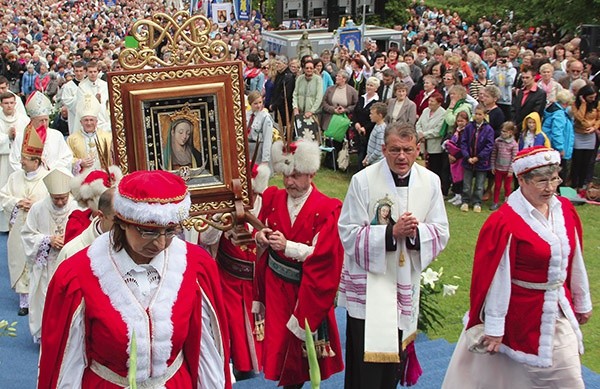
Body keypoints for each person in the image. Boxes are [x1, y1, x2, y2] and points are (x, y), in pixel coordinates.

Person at [38, 170, 232, 388]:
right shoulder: (77, 276)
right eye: (148, 231)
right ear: (122, 222)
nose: (160, 243)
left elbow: (208, 348)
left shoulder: (195, 266)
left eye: (170, 231)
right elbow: (65, 363)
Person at [442, 146, 592, 389]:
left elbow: (575, 259)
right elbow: (496, 277)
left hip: (558, 310)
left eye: (554, 179)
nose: (550, 187)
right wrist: (494, 327)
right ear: (521, 179)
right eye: (542, 180)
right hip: (518, 314)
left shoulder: (564, 209)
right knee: (506, 379)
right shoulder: (505, 222)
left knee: (568, 378)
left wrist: (581, 300)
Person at [338, 122, 450, 388]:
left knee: (392, 365)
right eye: (396, 150)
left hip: (403, 281)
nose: (402, 156)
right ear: (383, 149)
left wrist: (414, 233)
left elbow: (441, 231)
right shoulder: (363, 180)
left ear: (418, 149)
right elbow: (348, 232)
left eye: (408, 150)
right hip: (369, 286)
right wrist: (390, 233)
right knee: (365, 365)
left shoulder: (430, 182)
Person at [254, 139, 344, 388]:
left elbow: (326, 255)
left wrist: (289, 247)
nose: (289, 182)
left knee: (300, 353)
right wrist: (260, 237)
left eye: (295, 175)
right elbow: (260, 227)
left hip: (306, 289)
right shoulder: (273, 197)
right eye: (285, 175)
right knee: (280, 346)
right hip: (275, 288)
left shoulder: (328, 208)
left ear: (312, 173)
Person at [22, 167, 78, 343]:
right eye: (56, 199)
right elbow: (27, 234)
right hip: (46, 264)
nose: (61, 203)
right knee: (45, 300)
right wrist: (47, 240)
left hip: (69, 263)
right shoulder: (38, 208)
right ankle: (46, 336)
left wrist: (69, 241)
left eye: (63, 198)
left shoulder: (76, 207)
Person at [0, 123, 49, 316]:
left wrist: (35, 204)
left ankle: (39, 298)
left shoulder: (47, 178)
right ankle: (24, 301)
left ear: (36, 161)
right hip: (19, 227)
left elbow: (54, 202)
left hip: (38, 228)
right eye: (21, 158)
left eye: (25, 159)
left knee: (37, 261)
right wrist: (18, 202)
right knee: (20, 258)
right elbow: (3, 196)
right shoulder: (15, 178)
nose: (21, 162)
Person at [54, 187, 116, 273]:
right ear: (101, 216)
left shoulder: (135, 246)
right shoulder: (71, 251)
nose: (125, 227)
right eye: (118, 221)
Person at [9, 91, 73, 172]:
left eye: (46, 120)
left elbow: (67, 157)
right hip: (29, 179)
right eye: (40, 120)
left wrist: (49, 167)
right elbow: (14, 161)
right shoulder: (21, 137)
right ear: (32, 120)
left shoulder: (56, 135)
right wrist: (31, 170)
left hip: (51, 177)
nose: (44, 123)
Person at [459, 105, 495, 213]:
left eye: (480, 114)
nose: (477, 116)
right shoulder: (469, 127)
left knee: (479, 184)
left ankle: (477, 202)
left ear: (484, 115)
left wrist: (478, 157)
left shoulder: (489, 129)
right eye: (476, 114)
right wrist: (467, 156)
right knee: (466, 183)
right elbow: (463, 142)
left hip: (482, 162)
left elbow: (489, 145)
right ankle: (465, 201)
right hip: (468, 160)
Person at [67, 94, 113, 174]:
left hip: (104, 177)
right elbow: (67, 159)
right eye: (86, 120)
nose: (89, 123)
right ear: (81, 122)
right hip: (82, 179)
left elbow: (113, 158)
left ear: (96, 121)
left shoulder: (107, 137)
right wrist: (80, 162)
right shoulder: (72, 139)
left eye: (91, 120)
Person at [570, 85, 599, 190]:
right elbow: (579, 117)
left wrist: (594, 128)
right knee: (577, 161)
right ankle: (574, 184)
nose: (593, 99)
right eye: (590, 97)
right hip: (579, 134)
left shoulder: (596, 104)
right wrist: (583, 104)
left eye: (594, 97)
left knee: (586, 162)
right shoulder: (575, 105)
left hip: (590, 136)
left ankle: (582, 185)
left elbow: (598, 119)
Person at [542, 90, 575, 183]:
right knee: (559, 173)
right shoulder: (559, 114)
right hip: (556, 149)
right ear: (566, 103)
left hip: (551, 147)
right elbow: (557, 132)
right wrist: (560, 148)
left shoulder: (553, 109)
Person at [416, 92, 446, 181]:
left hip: (434, 147)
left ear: (439, 103)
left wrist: (424, 134)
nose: (429, 103)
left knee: (434, 168)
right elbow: (419, 123)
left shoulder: (443, 113)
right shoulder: (426, 110)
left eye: (432, 101)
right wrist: (419, 133)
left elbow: (438, 131)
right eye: (429, 100)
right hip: (422, 144)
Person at [490, 122, 519, 210]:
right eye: (502, 131)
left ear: (510, 132)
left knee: (507, 187)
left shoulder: (514, 144)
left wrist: (511, 170)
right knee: (497, 186)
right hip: (498, 168)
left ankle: (507, 202)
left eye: (505, 131)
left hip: (507, 170)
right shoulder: (497, 141)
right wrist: (493, 166)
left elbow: (514, 158)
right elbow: (494, 153)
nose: (502, 133)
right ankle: (495, 202)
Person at [321, 69, 359, 133]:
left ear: (344, 79)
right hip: (329, 119)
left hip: (342, 121)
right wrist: (333, 109)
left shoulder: (352, 91)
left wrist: (345, 110)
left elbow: (355, 105)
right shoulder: (330, 89)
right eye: (336, 76)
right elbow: (324, 102)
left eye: (338, 76)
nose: (336, 77)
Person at [444, 111, 469, 206]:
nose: (460, 123)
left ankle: (461, 196)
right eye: (458, 121)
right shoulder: (456, 131)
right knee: (454, 176)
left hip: (460, 157)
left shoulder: (466, 132)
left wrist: (456, 156)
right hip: (453, 156)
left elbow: (464, 145)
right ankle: (456, 194)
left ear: (466, 121)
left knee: (460, 177)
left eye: (462, 121)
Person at [512, 66, 547, 131]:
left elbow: (536, 112)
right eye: (523, 78)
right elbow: (514, 108)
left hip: (531, 128)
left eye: (527, 77)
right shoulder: (520, 92)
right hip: (516, 127)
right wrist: (513, 123)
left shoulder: (540, 93)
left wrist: (519, 126)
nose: (525, 80)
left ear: (534, 78)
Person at [246, 91, 274, 165]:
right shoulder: (246, 115)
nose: (258, 105)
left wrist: (265, 159)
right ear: (250, 103)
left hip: (259, 149)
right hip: (248, 149)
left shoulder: (265, 117)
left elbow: (267, 139)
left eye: (260, 102)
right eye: (255, 103)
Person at [363, 102, 388, 167]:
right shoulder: (377, 125)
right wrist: (367, 157)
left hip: (377, 163)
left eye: (372, 114)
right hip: (372, 161)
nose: (370, 115)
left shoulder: (381, 130)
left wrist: (369, 160)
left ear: (380, 115)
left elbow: (379, 150)